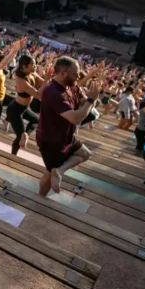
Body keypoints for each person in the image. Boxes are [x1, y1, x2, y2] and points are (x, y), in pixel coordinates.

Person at [35, 57, 100, 195]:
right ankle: (40, 199)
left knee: (86, 154)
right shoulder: (53, 91)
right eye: (75, 73)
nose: (78, 76)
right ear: (63, 73)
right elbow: (76, 118)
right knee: (48, 175)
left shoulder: (72, 86)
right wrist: (91, 100)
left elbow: (82, 102)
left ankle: (59, 170)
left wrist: (90, 99)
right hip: (51, 141)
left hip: (67, 136)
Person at [6, 53, 43, 155]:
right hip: (15, 110)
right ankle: (13, 155)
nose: (35, 66)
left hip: (25, 108)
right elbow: (37, 95)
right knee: (19, 136)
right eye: (33, 64)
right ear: (24, 67)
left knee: (37, 120)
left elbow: (43, 82)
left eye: (35, 64)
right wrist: (47, 80)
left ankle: (26, 134)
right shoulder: (21, 81)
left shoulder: (31, 74)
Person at [0, 37, 25, 130]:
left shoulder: (0, 69)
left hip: (2, 96)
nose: (5, 65)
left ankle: (7, 120)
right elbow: (4, 61)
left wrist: (16, 49)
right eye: (2, 63)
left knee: (18, 105)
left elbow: (9, 59)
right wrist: (12, 51)